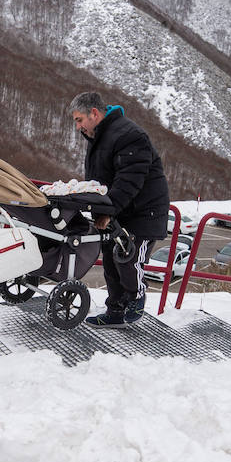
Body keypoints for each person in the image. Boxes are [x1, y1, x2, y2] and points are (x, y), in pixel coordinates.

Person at [70, 91, 170, 326]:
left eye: (79, 120)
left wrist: (106, 211)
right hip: (119, 211)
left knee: (128, 258)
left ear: (94, 113)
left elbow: (129, 180)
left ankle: (137, 295)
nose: (78, 127)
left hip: (143, 212)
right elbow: (101, 181)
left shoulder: (129, 135)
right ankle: (115, 312)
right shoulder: (101, 137)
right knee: (111, 263)